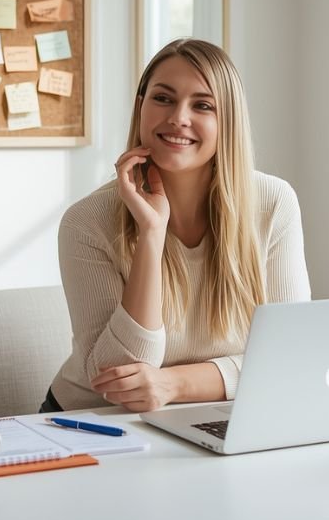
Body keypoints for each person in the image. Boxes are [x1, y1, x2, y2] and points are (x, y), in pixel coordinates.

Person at [40, 38, 310, 414]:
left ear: (228, 120)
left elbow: (293, 353)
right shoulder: (86, 222)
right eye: (163, 98)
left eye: (202, 105)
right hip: (91, 421)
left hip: (209, 412)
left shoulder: (273, 203)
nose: (178, 117)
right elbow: (117, 378)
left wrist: (173, 384)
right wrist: (151, 233)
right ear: (141, 107)